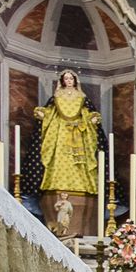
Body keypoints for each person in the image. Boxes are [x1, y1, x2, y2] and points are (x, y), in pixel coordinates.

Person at [34, 69, 102, 237]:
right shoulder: (57, 96)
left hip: (78, 134)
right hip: (60, 133)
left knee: (81, 165)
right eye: (66, 78)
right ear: (62, 81)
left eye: (71, 78)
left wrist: (91, 118)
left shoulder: (81, 97)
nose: (69, 81)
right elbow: (50, 113)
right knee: (57, 160)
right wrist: (44, 114)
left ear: (75, 80)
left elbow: (87, 113)